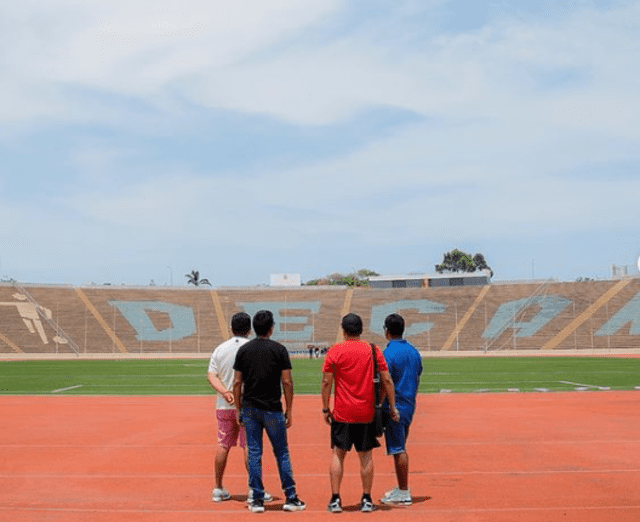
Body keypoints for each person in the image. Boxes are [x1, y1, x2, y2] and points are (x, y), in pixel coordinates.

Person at [321, 313, 400, 513]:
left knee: (338, 454)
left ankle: (335, 499)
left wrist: (325, 407)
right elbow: (387, 379)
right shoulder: (373, 350)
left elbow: (326, 382)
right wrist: (391, 406)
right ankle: (366, 498)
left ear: (343, 330)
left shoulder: (335, 351)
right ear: (361, 329)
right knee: (366, 456)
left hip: (342, 412)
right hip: (366, 412)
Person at [233, 310, 306, 513]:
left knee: (254, 453)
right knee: (281, 452)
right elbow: (287, 382)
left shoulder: (244, 350)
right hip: (272, 408)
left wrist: (238, 409)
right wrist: (289, 409)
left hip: (250, 408)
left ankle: (256, 499)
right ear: (271, 327)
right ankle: (290, 496)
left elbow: (237, 382)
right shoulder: (279, 350)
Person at [206, 312, 273, 504]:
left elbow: (212, 375)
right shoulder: (254, 348)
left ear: (231, 328)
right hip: (248, 404)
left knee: (223, 445)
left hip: (224, 405)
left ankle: (218, 488)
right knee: (249, 447)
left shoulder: (220, 349)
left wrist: (225, 392)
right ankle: (254, 490)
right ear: (249, 329)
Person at [379, 313, 423, 506]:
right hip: (409, 403)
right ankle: (400, 487)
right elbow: (418, 377)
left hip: (394, 406)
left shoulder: (388, 353)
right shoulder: (413, 351)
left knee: (398, 449)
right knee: (399, 446)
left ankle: (404, 491)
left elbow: (385, 381)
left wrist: (380, 404)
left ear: (387, 332)